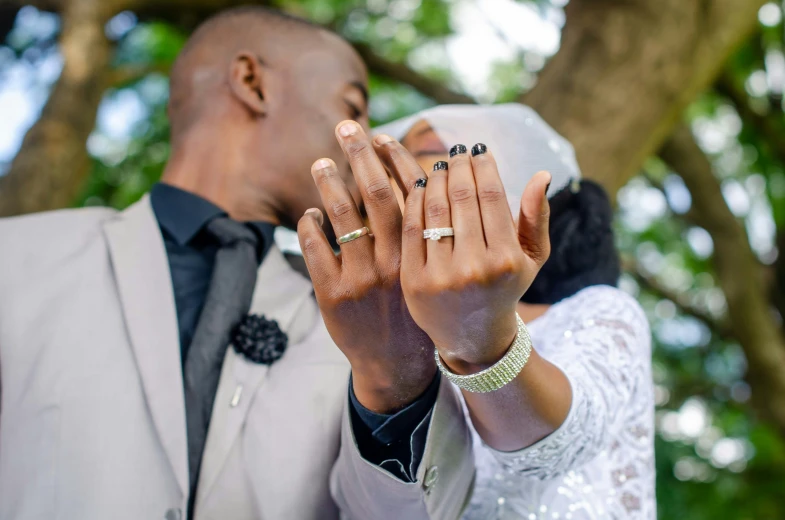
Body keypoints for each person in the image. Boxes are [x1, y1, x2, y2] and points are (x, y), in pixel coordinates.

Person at [0, 8, 474, 520]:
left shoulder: (370, 312)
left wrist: (393, 372)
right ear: (253, 83)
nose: (365, 136)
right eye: (353, 107)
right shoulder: (17, 257)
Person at [297, 104, 655, 519]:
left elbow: (563, 444)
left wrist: (479, 338)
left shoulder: (597, 310)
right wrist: (383, 376)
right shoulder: (345, 336)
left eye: (458, 149)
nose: (427, 132)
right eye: (411, 153)